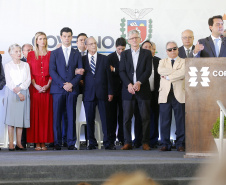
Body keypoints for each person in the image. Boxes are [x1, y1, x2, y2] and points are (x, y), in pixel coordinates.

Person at [49, 27, 83, 150]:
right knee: (57, 117)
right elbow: (52, 71)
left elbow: (80, 72)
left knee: (71, 117)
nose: (67, 38)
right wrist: (63, 84)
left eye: (69, 36)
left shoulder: (77, 53)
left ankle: (70, 142)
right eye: (64, 36)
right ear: (60, 37)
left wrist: (71, 84)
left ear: (72, 37)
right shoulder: (54, 53)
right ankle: (57, 142)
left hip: (72, 90)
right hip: (58, 89)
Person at [119, 30, 152, 150]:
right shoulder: (124, 54)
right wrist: (128, 84)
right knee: (127, 118)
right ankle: (127, 142)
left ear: (140, 39)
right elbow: (121, 71)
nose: (134, 40)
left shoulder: (147, 54)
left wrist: (139, 82)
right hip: (128, 91)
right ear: (128, 41)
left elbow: (148, 71)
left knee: (145, 118)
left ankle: (145, 142)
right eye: (131, 38)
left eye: (136, 38)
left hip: (143, 90)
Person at [82, 36, 113, 150]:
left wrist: (110, 92)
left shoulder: (104, 59)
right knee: (89, 119)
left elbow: (109, 78)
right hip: (88, 94)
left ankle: (107, 142)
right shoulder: (82, 60)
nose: (94, 45)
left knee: (105, 119)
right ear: (86, 46)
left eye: (94, 43)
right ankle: (92, 142)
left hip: (103, 93)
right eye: (90, 44)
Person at [26, 32, 54, 151]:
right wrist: (35, 85)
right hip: (34, 87)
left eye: (44, 39)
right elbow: (29, 72)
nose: (43, 41)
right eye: (40, 39)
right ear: (36, 41)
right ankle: (37, 142)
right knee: (35, 115)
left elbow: (53, 70)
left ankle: (44, 142)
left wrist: (48, 84)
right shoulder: (31, 54)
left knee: (46, 115)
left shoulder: (51, 54)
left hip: (48, 87)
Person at [158, 41, 185, 152]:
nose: (172, 51)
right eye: (170, 50)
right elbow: (160, 71)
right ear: (166, 52)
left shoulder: (184, 61)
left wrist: (168, 77)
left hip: (179, 94)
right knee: (164, 121)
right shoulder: (162, 61)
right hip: (165, 94)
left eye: (174, 49)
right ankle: (165, 143)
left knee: (180, 121)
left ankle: (180, 144)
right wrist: (176, 72)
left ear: (178, 49)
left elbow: (183, 73)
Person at [3, 44, 31, 151]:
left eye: (20, 51)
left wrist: (21, 88)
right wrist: (18, 92)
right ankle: (11, 143)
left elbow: (28, 80)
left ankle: (19, 143)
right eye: (16, 51)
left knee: (21, 119)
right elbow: (9, 81)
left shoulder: (26, 65)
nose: (19, 53)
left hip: (24, 91)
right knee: (11, 120)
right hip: (12, 93)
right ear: (11, 54)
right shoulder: (8, 65)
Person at [134, 41, 161, 148]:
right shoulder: (138, 61)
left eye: (150, 47)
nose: (148, 49)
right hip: (141, 94)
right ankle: (138, 139)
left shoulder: (159, 61)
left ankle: (153, 140)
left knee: (154, 117)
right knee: (139, 117)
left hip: (155, 93)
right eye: (145, 47)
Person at [108, 37, 126, 148]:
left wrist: (115, 69)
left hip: (124, 90)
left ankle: (122, 138)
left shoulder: (127, 56)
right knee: (112, 116)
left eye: (123, 49)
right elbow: (108, 76)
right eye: (119, 49)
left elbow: (127, 72)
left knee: (124, 116)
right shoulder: (110, 57)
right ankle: (111, 139)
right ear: (115, 47)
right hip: (113, 91)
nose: (121, 51)